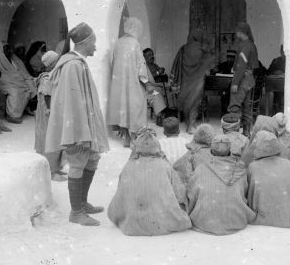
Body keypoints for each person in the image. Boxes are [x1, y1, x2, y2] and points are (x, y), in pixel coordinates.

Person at [45, 23, 109, 227]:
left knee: (92, 160)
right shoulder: (72, 65)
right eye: (94, 43)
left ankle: (82, 203)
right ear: (86, 42)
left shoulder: (78, 63)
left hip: (84, 127)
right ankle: (76, 212)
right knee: (78, 163)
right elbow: (72, 105)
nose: (96, 47)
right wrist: (81, 134)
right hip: (78, 129)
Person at [107, 129, 191, 236]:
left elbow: (121, 192)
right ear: (157, 147)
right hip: (161, 220)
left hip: (131, 223)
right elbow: (180, 194)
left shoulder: (128, 166)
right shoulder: (165, 166)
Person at [187, 135, 256, 235]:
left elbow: (191, 195)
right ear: (230, 149)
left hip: (204, 222)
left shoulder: (200, 169)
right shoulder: (241, 169)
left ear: (211, 150)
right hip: (236, 220)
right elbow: (244, 194)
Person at [247, 131, 290, 228]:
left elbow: (249, 192)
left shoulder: (252, 167)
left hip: (261, 213)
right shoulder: (286, 163)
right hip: (287, 211)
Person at [107, 17, 149, 147]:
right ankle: (134, 138)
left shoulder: (118, 42)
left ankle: (125, 136)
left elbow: (113, 62)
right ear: (135, 28)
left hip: (119, 83)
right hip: (132, 82)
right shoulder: (135, 43)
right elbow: (141, 65)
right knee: (135, 107)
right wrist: (145, 81)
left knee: (123, 108)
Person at [171, 27, 215, 134]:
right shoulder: (203, 51)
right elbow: (209, 67)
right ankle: (191, 125)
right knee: (195, 102)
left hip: (185, 81)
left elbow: (177, 64)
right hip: (197, 82)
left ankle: (188, 122)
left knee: (187, 102)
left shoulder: (183, 49)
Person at [34, 50, 66, 181]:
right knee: (50, 141)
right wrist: (51, 112)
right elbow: (47, 98)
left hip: (54, 113)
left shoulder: (54, 74)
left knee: (57, 140)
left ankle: (56, 167)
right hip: (49, 115)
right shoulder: (47, 78)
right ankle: (51, 172)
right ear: (52, 64)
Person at [227, 22, 259, 136]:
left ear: (242, 32)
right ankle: (247, 134)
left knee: (234, 107)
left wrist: (235, 83)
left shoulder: (245, 45)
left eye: (237, 31)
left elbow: (241, 65)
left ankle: (232, 135)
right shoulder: (251, 44)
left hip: (242, 80)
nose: (236, 33)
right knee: (246, 108)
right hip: (249, 80)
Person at [0, 41, 37, 122]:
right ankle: (12, 115)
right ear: (1, 50)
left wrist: (25, 77)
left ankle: (31, 108)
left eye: (8, 48)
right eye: (5, 49)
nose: (8, 50)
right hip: (5, 81)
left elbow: (21, 70)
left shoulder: (13, 58)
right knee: (15, 92)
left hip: (17, 79)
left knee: (31, 84)